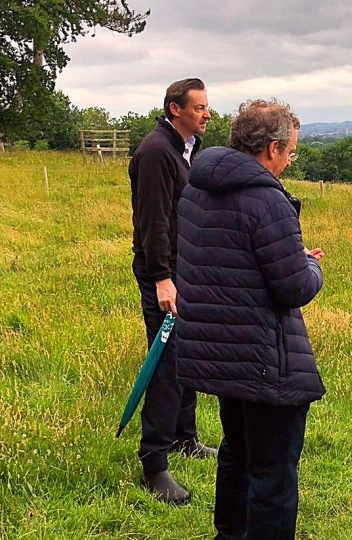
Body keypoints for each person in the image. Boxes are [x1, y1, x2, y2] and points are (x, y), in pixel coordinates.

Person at [175, 99, 325, 540]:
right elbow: (294, 287)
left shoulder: (198, 187)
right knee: (273, 474)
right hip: (263, 357)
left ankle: (229, 535)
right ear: (273, 148)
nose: (290, 160)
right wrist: (310, 265)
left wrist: (287, 257)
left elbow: (228, 261)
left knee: (237, 453)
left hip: (221, 352)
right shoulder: (266, 199)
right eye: (291, 151)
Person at [128, 78, 216, 505]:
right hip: (162, 273)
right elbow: (153, 221)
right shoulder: (156, 152)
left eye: (206, 107)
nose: (206, 114)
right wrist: (162, 277)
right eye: (198, 107)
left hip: (186, 269)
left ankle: (185, 438)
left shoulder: (186, 149)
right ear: (174, 108)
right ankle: (154, 465)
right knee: (166, 362)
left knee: (188, 355)